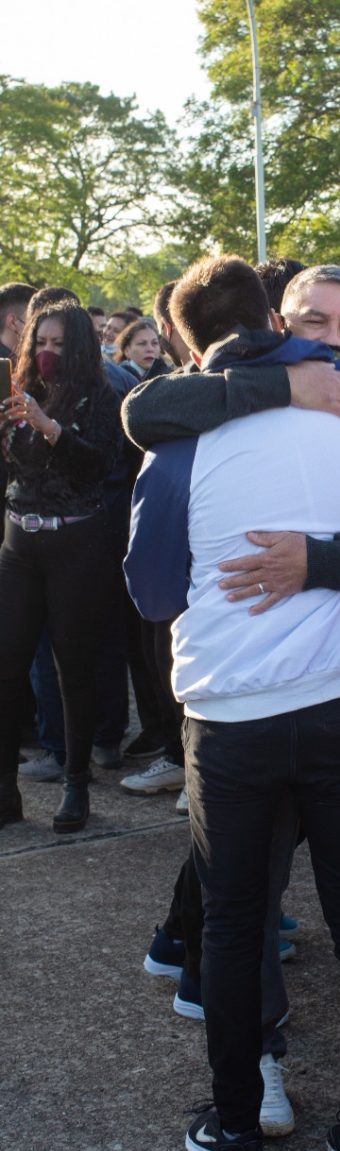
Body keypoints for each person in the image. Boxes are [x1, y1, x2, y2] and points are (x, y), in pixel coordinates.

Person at [123, 263, 340, 1117]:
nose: (334, 343)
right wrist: (277, 384)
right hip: (257, 700)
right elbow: (145, 412)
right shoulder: (217, 410)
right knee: (250, 894)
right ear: (279, 322)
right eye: (317, 325)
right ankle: (260, 1055)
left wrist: (314, 560)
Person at [0, 302, 121, 832]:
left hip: (77, 541)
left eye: (57, 345)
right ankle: (5, 792)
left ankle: (76, 788)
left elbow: (97, 465)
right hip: (18, 545)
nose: (46, 353)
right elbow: (15, 468)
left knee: (74, 670)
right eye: (39, 343)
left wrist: (49, 426)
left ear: (77, 349)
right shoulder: (17, 394)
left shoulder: (101, 396)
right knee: (7, 669)